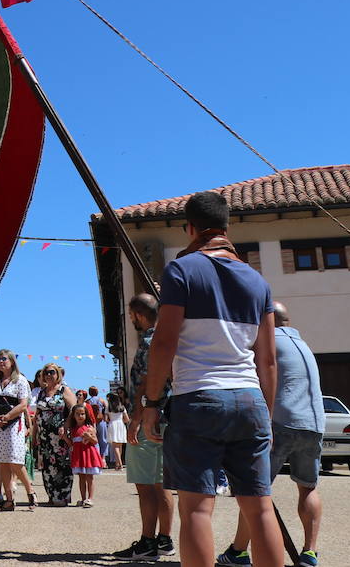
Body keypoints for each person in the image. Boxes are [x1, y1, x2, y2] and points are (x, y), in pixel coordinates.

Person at [141, 191, 284, 567]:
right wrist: (265, 416)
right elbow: (267, 360)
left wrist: (152, 403)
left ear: (190, 228)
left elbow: (164, 343)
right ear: (225, 226)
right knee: (260, 510)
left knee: (198, 510)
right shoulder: (258, 282)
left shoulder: (181, 269)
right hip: (250, 399)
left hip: (198, 397)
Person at [219, 302, 327, 567]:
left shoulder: (267, 342)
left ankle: (239, 551)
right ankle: (310, 552)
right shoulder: (304, 345)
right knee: (308, 487)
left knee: (254, 490)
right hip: (314, 423)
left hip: (281, 421)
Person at [111, 292, 177, 562]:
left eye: (131, 316)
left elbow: (146, 383)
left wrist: (136, 419)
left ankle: (148, 542)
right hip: (167, 419)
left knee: (146, 485)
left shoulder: (149, 341)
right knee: (162, 484)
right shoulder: (168, 337)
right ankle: (164, 539)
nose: (131, 321)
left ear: (138, 315)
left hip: (148, 418)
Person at [0, 348, 32, 512]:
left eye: (4, 359)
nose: (0, 362)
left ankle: (30, 491)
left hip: (14, 424)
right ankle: (9, 499)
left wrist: (7, 416)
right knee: (3, 461)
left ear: (12, 361)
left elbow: (23, 404)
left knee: (15, 460)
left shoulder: (20, 380)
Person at [33, 364, 77, 506]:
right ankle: (52, 495)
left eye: (52, 372)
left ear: (57, 374)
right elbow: (38, 414)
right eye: (46, 372)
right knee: (47, 465)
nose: (49, 375)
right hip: (44, 435)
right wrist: (35, 434)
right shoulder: (42, 392)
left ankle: (63, 495)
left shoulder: (64, 390)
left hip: (59, 434)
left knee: (62, 464)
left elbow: (73, 409)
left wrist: (66, 426)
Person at [69, 401, 103, 506]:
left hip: (89, 454)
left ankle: (90, 498)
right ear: (73, 416)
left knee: (89, 477)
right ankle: (83, 498)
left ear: (86, 415)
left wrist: (89, 437)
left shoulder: (89, 427)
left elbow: (96, 441)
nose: (80, 416)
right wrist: (64, 437)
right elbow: (72, 443)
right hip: (79, 455)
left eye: (82, 414)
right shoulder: (73, 429)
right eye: (77, 414)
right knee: (81, 477)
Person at [89, 385, 111, 467]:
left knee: (93, 440)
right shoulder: (102, 400)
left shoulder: (88, 401)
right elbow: (107, 409)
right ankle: (103, 460)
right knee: (103, 440)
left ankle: (95, 459)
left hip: (92, 422)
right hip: (102, 422)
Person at [107, 389, 128, 469]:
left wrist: (111, 419)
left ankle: (119, 464)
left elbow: (106, 419)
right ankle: (118, 463)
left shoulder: (109, 408)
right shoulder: (122, 407)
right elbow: (127, 419)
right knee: (120, 445)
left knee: (115, 445)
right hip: (121, 424)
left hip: (112, 424)